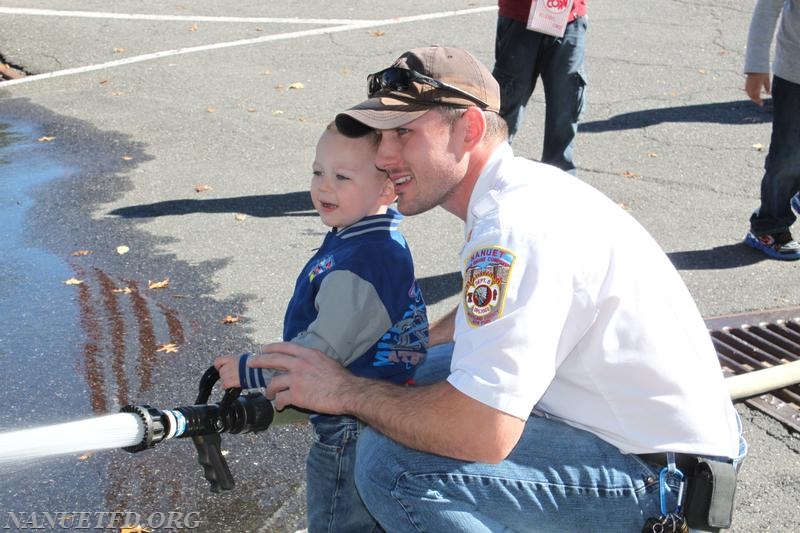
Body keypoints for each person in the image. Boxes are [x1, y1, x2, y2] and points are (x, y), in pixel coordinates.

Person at [244, 46, 746, 531]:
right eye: (382, 136)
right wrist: (412, 349)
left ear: (470, 128)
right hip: (644, 443)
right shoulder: (519, 192)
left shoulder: (513, 227)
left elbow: (481, 433)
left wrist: (345, 390)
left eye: (403, 133)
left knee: (394, 467)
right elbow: (494, 319)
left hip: (659, 481)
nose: (385, 155)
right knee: (403, 374)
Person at [215, 122, 429, 533]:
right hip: (370, 405)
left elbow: (323, 352)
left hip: (350, 421)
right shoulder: (361, 238)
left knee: (337, 517)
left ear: (386, 191)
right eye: (318, 172)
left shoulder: (364, 261)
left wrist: (252, 369)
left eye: (342, 177)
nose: (323, 187)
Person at [492, 0, 587, 174]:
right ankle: (490, 175)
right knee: (507, 105)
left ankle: (559, 183)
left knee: (565, 107)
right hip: (520, 16)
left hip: (569, 19)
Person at [742, 0, 800, 260]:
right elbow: (766, 10)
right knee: (787, 157)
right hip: (795, 76)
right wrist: (756, 66)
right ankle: (769, 226)